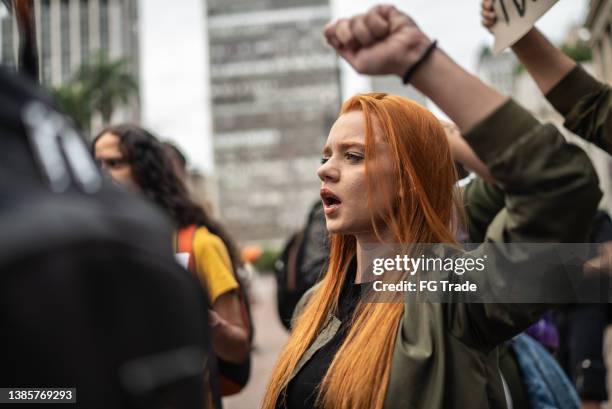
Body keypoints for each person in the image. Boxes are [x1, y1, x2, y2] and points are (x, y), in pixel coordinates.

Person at [262, 5, 601, 409]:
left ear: (408, 181)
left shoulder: (448, 292)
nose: (326, 171)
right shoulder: (313, 303)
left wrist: (421, 70)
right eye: (326, 157)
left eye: (353, 156)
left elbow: (556, 187)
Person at [481, 2, 612, 406]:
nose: (326, 170)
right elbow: (591, 106)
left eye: (354, 155)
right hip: (556, 314)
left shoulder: (595, 216)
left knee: (585, 383)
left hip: (583, 311)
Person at [92, 125, 250, 366]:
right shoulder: (91, 245)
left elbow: (239, 348)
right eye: (96, 165)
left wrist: (201, 319)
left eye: (114, 164)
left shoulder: (201, 245)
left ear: (146, 172)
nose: (102, 175)